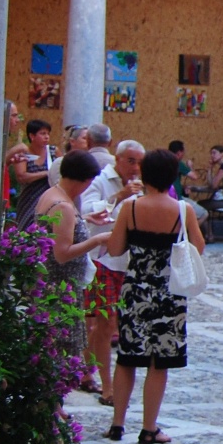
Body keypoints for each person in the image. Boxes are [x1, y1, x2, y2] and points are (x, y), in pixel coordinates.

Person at [104, 147, 203, 444]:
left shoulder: (130, 208)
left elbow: (115, 249)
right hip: (168, 294)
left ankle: (117, 423)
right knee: (159, 363)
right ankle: (149, 428)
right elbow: (198, 247)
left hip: (135, 289)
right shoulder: (183, 211)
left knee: (126, 358)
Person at [81, 139, 145, 403]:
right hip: (102, 260)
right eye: (131, 161)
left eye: (139, 163)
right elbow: (87, 211)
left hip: (125, 262)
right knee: (105, 324)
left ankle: (85, 371)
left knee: (104, 325)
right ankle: (107, 387)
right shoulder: (101, 181)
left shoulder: (140, 187)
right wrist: (120, 196)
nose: (135, 167)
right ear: (117, 159)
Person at [28, 150, 111, 293]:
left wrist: (84, 219)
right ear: (83, 180)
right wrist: (98, 240)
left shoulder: (51, 192)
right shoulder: (63, 206)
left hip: (52, 282)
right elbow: (62, 254)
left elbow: (54, 229)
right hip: (61, 286)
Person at [7, 118, 56, 223]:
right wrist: (46, 173)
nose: (47, 137)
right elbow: (21, 176)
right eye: (42, 133)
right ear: (32, 136)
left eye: (48, 133)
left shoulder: (53, 151)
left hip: (49, 199)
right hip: (29, 199)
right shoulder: (23, 153)